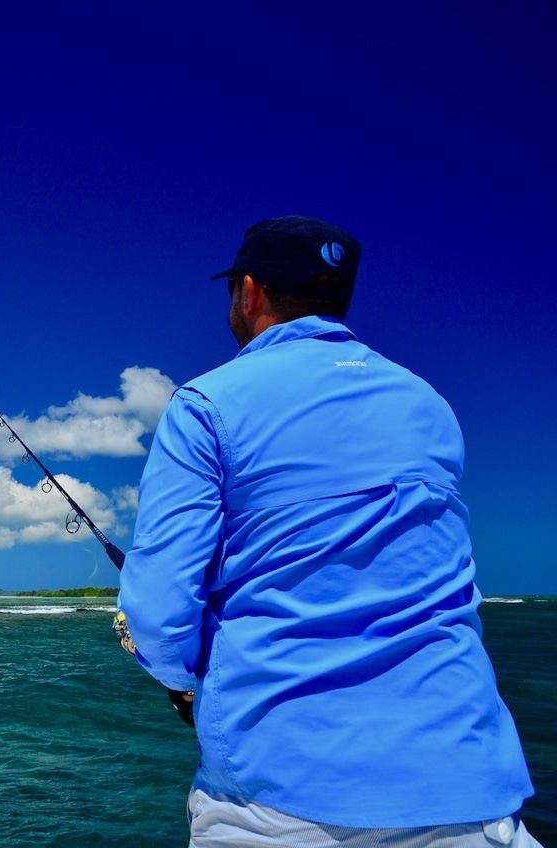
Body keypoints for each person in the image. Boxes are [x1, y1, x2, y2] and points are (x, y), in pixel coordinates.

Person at [117, 216, 540, 846]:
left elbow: (156, 612)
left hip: (278, 801)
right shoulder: (429, 404)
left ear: (249, 292)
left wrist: (183, 683)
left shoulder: (206, 404)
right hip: (470, 789)